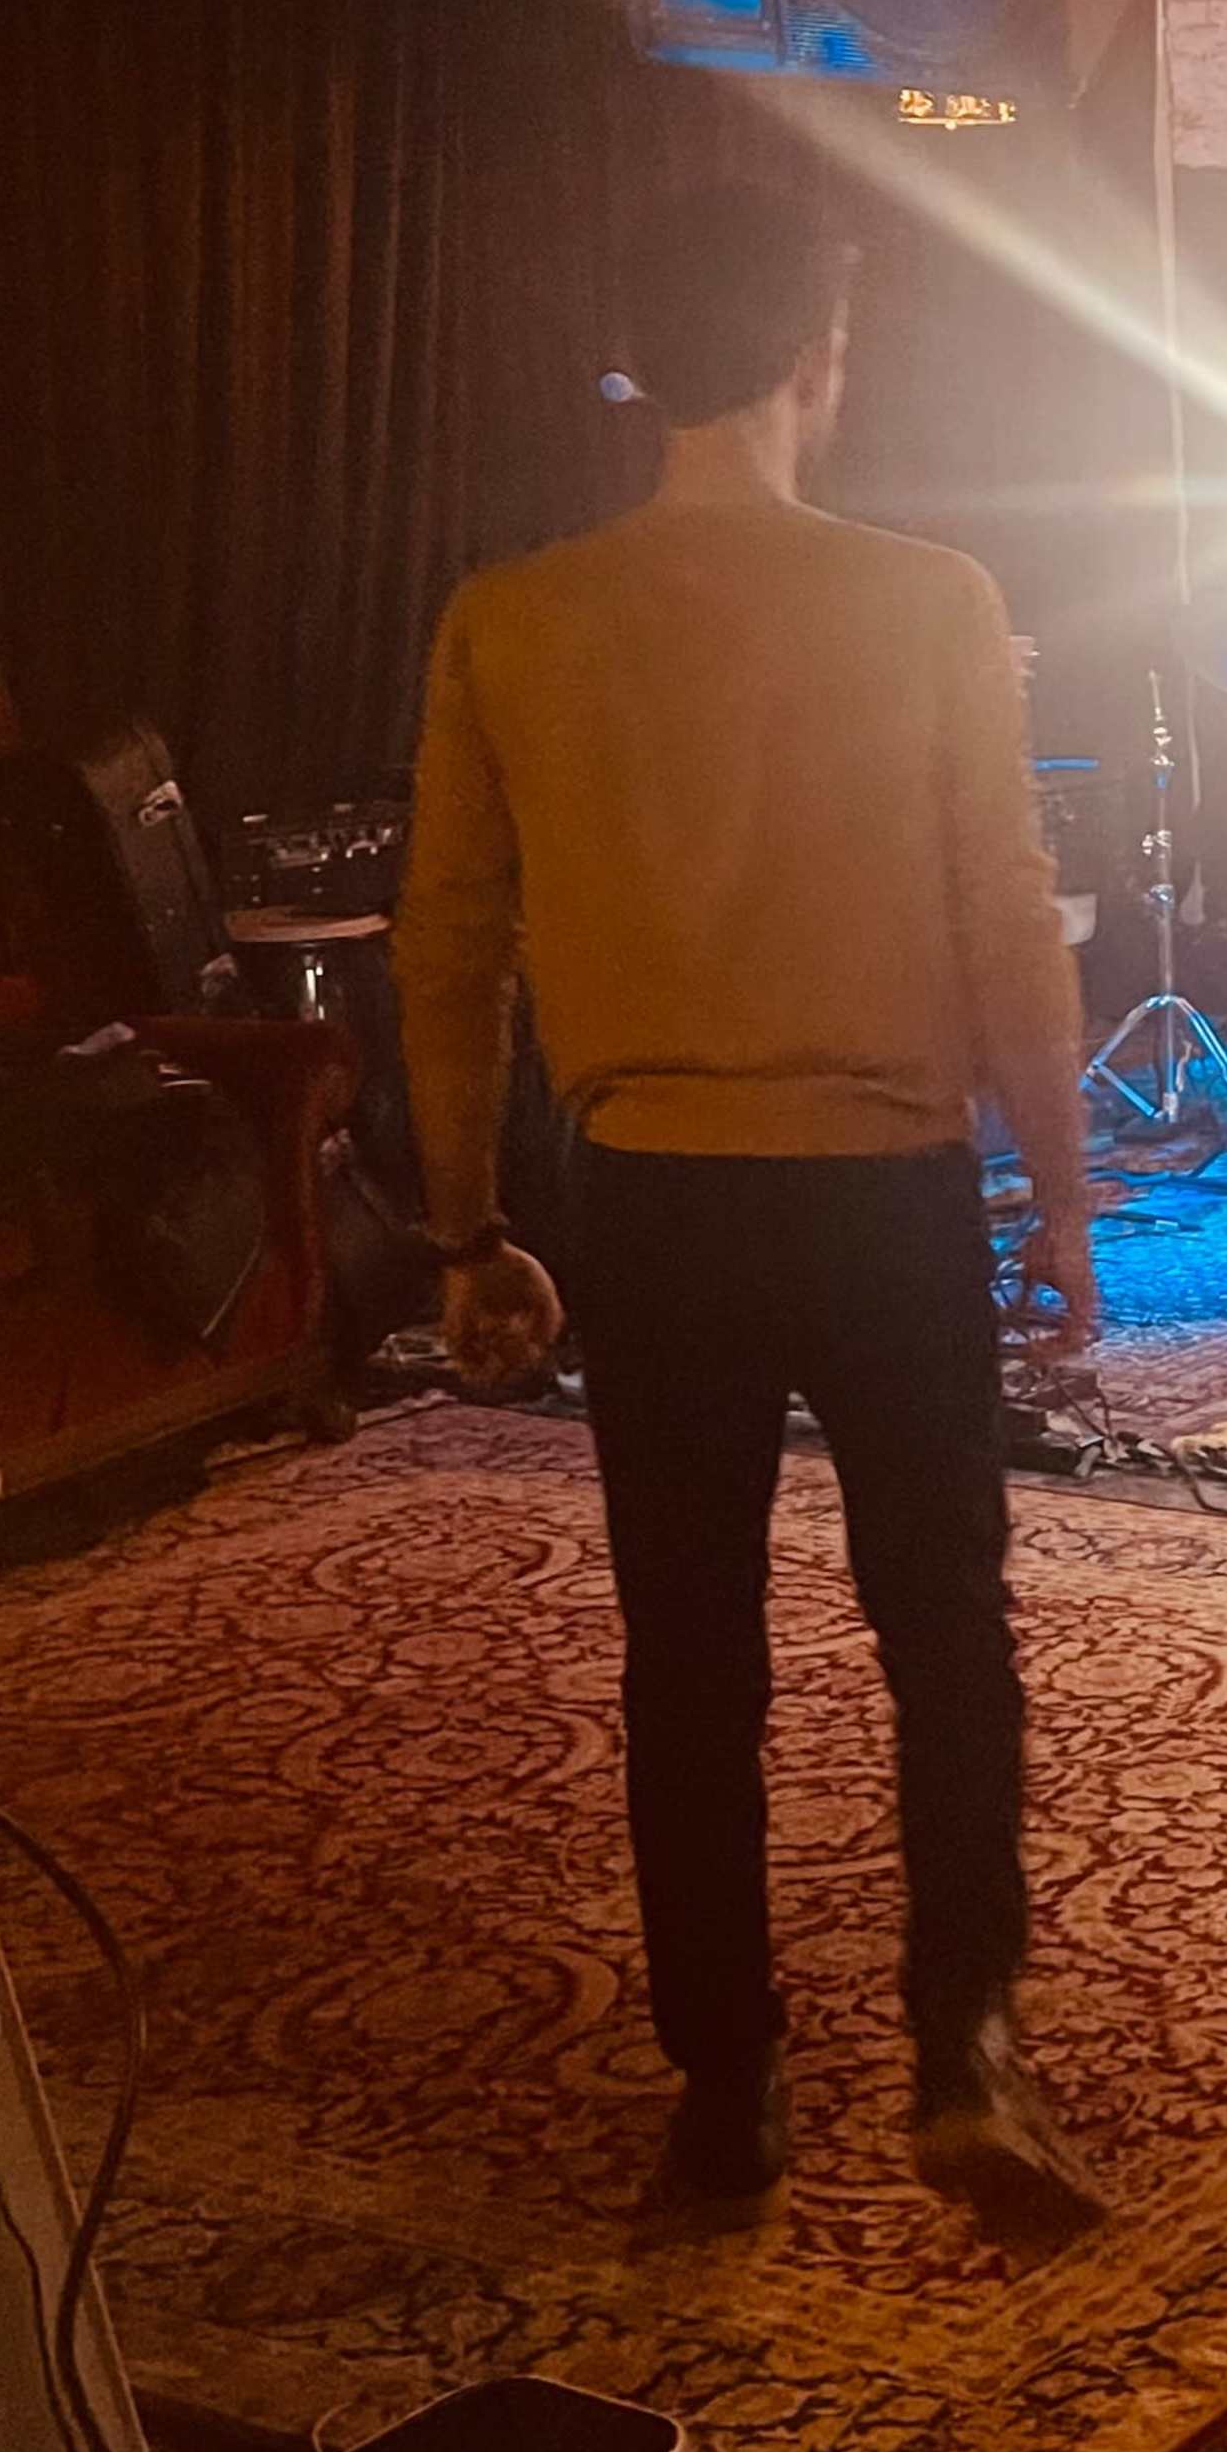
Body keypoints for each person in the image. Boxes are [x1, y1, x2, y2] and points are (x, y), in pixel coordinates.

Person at [392, 185, 1105, 2233]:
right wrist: (1058, 1199)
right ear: (824, 357)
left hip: (655, 1204)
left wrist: (468, 1231)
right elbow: (1005, 937)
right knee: (944, 1629)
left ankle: (729, 2087)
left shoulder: (510, 620)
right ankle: (964, 2047)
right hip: (883, 1188)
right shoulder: (931, 597)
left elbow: (448, 952)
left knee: (686, 1654)